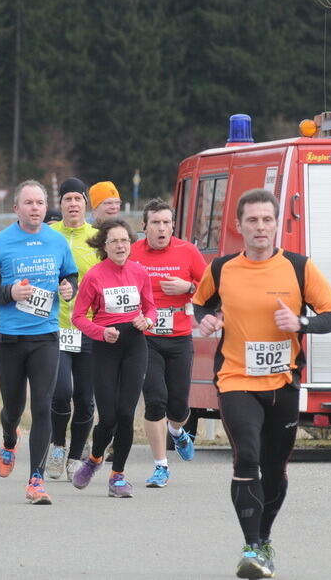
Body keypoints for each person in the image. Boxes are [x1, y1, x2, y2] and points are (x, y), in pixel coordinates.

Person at [192, 189, 331, 578]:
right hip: (236, 379)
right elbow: (200, 303)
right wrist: (206, 319)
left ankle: (264, 537)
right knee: (247, 456)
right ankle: (252, 547)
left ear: (277, 225)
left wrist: (302, 323)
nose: (260, 227)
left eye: (267, 220)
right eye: (252, 220)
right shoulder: (222, 268)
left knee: (275, 468)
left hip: (283, 382)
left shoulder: (298, 268)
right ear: (239, 225)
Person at [0, 180, 77, 505]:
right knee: (13, 408)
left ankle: (35, 479)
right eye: (28, 203)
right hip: (9, 337)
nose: (35, 208)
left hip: (45, 336)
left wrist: (68, 289)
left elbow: (70, 276)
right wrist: (10, 292)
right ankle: (10, 439)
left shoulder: (57, 241)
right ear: (16, 208)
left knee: (42, 405)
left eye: (39, 203)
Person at [70, 219, 156, 497]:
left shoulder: (139, 273)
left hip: (135, 345)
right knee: (108, 417)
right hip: (106, 347)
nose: (121, 246)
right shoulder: (94, 276)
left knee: (126, 414)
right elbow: (78, 317)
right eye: (114, 241)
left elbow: (151, 308)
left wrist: (148, 322)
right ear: (104, 246)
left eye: (125, 241)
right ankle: (95, 458)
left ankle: (117, 476)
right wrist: (100, 332)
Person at [129, 198, 207, 488]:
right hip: (145, 338)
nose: (161, 228)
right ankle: (160, 465)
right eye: (155, 223)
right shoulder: (133, 253)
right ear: (144, 227)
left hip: (179, 337)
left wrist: (189, 287)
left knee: (178, 407)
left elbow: (213, 290)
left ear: (173, 225)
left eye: (166, 223)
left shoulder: (188, 252)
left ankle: (178, 432)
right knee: (155, 401)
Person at [45, 178, 101, 481]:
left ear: (85, 204)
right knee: (60, 393)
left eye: (78, 199)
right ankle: (57, 446)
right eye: (67, 199)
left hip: (90, 328)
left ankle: (76, 455)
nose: (73, 204)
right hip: (55, 326)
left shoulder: (97, 238)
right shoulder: (49, 235)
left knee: (84, 397)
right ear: (62, 204)